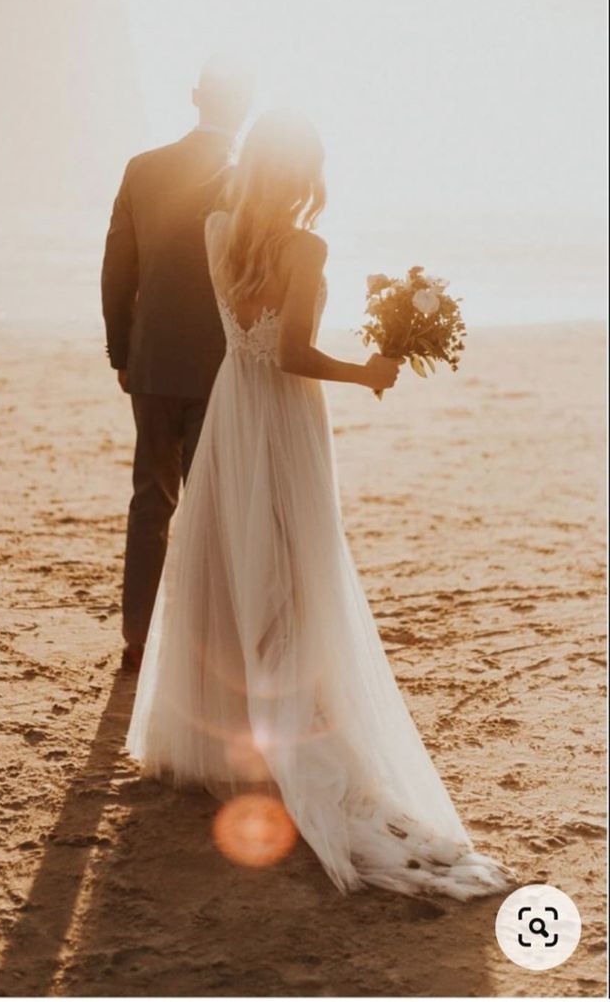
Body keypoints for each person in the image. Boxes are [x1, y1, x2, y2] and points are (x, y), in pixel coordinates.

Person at [126, 109, 517, 899]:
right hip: (283, 415)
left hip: (233, 405)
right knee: (293, 570)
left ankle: (217, 743)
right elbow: (296, 354)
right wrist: (370, 373)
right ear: (304, 172)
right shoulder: (305, 246)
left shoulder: (215, 226)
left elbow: (251, 343)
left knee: (229, 558)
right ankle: (291, 741)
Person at [101, 59, 253, 672]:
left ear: (195, 98)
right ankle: (208, 642)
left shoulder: (144, 168)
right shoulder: (245, 179)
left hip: (155, 360)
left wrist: (122, 352)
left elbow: (118, 271)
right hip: (222, 364)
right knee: (214, 501)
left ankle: (137, 635)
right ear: (245, 105)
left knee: (151, 497)